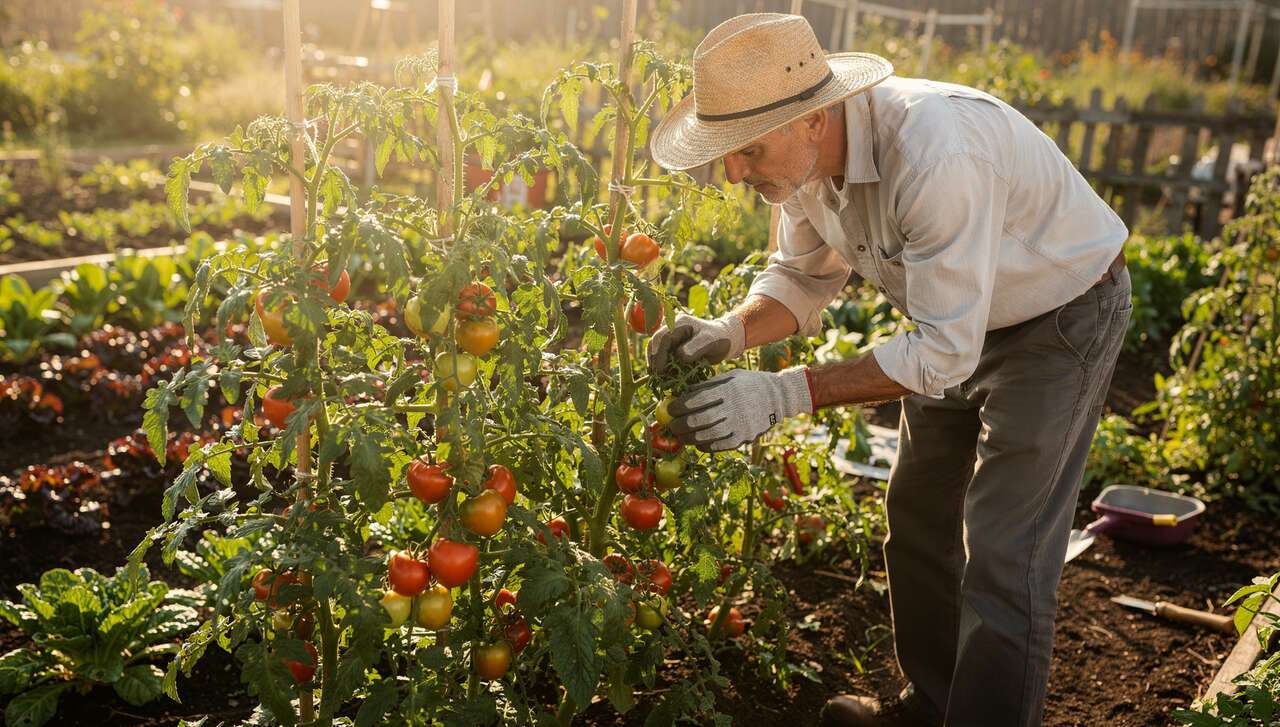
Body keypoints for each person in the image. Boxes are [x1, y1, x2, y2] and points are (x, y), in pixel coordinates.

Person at [646, 13, 1131, 727]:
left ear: (814, 118)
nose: (733, 171)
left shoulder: (935, 150)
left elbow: (941, 353)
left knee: (1006, 547)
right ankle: (931, 704)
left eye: (747, 150)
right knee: (915, 514)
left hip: (1058, 318)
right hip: (953, 316)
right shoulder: (805, 167)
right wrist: (729, 333)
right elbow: (801, 278)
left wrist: (785, 393)